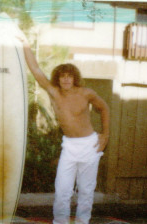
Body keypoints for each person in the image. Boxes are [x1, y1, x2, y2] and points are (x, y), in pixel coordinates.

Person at [18, 35, 110, 224]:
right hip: (69, 147)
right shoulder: (54, 93)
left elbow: (104, 108)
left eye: (69, 76)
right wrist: (24, 43)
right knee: (62, 191)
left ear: (74, 78)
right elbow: (35, 70)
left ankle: (82, 222)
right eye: (62, 76)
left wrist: (105, 135)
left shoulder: (86, 93)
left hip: (90, 146)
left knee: (86, 191)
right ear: (58, 79)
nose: (66, 80)